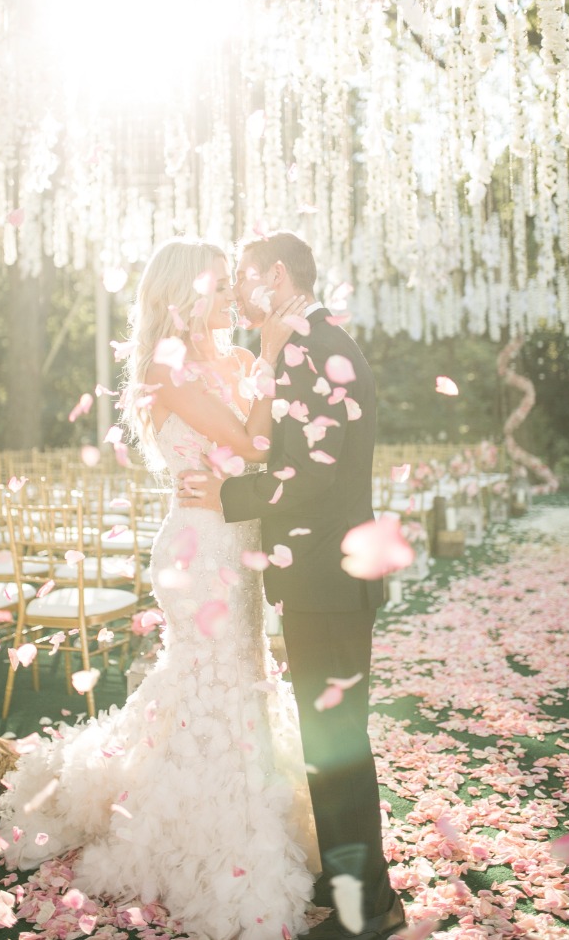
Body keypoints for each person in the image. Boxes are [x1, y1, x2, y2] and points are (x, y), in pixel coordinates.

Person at [0, 237, 319, 940]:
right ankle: (207, 824)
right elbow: (251, 444)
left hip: (241, 541)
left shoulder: (231, 357)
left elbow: (266, 455)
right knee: (210, 680)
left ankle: (248, 795)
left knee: (244, 676)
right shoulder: (166, 369)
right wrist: (269, 355)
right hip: (198, 548)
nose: (224, 297)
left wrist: (257, 362)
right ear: (178, 296)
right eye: (210, 287)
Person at [177, 231, 405, 940]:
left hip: (327, 580)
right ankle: (362, 891)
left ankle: (364, 908)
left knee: (337, 746)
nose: (240, 291)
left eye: (245, 277)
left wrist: (227, 493)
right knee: (330, 743)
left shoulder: (313, 345)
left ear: (278, 275)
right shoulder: (312, 342)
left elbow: (315, 470)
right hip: (320, 579)